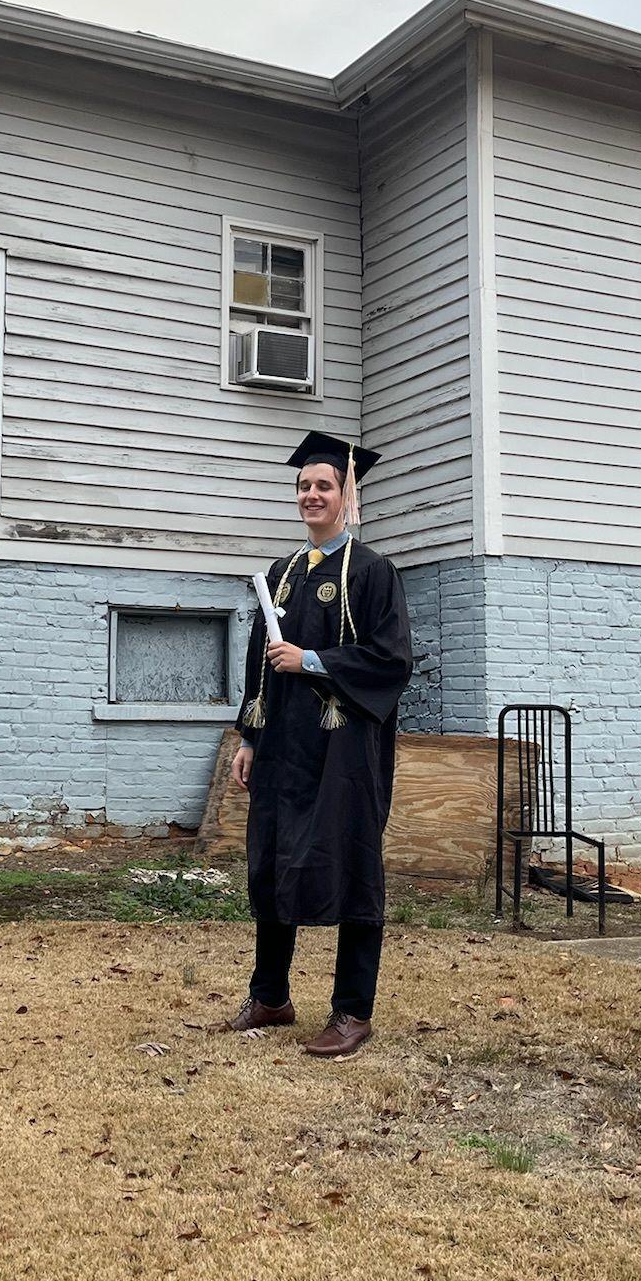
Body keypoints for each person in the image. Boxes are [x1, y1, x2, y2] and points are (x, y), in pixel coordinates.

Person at [224, 431, 412, 1058]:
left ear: (346, 495)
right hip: (282, 748)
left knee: (351, 864)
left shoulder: (374, 572)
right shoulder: (278, 576)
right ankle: (271, 995)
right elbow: (258, 662)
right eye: (303, 486)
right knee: (275, 860)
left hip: (344, 752)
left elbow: (390, 660)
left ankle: (353, 1011)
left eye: (323, 486)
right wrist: (249, 735)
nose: (311, 495)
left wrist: (310, 661)